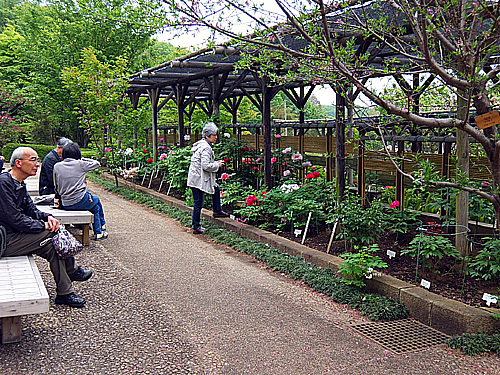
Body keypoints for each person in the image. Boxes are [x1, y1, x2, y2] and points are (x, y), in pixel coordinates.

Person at [0, 147, 92, 308]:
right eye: (33, 160)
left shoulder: (19, 183)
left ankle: (65, 293)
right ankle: (73, 271)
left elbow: (32, 210)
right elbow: (15, 219)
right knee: (51, 234)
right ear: (18, 163)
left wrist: (48, 218)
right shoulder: (3, 184)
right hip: (4, 240)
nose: (37, 164)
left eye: (38, 160)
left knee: (52, 246)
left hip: (14, 236)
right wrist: (44, 225)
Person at [53, 142, 108, 240]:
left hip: (65, 202)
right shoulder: (80, 164)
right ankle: (99, 231)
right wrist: (81, 158)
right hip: (80, 200)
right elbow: (97, 164)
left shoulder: (57, 166)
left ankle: (101, 227)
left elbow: (56, 185)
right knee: (95, 205)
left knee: (94, 200)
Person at [187, 122, 229, 234]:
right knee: (198, 203)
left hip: (197, 177)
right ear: (207, 136)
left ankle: (217, 211)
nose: (216, 137)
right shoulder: (206, 148)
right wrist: (217, 165)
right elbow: (205, 166)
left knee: (216, 189)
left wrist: (215, 162)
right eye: (214, 135)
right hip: (197, 180)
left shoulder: (203, 145)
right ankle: (196, 226)